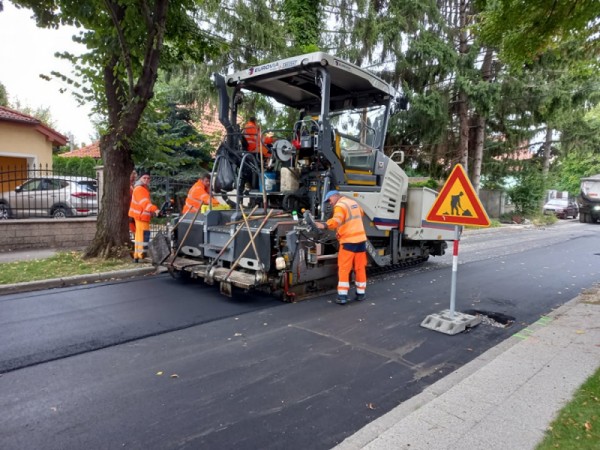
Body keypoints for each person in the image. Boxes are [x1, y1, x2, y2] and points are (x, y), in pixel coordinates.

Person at [316, 190, 368, 305]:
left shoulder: (340, 206)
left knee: (344, 268)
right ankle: (361, 293)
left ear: (335, 197)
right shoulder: (353, 202)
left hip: (349, 242)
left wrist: (323, 225)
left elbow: (336, 221)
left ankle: (343, 296)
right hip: (361, 241)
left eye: (329, 200)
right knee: (360, 268)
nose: (330, 203)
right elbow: (361, 214)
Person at [128, 172, 160, 262]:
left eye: (148, 178)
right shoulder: (140, 189)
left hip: (140, 216)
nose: (146, 180)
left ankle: (137, 255)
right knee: (143, 236)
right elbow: (144, 203)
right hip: (141, 216)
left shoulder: (141, 188)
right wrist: (155, 210)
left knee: (139, 236)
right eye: (144, 178)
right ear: (140, 179)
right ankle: (142, 255)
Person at [129, 170, 138, 235]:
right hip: (130, 208)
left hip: (135, 208)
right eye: (133, 175)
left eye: (135, 175)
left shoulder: (134, 185)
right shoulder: (129, 185)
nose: (134, 177)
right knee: (132, 223)